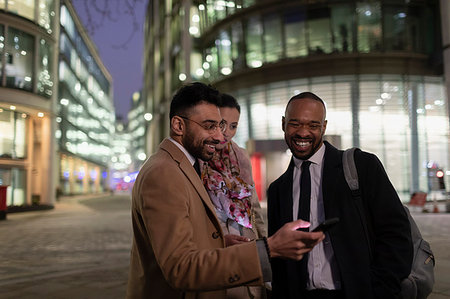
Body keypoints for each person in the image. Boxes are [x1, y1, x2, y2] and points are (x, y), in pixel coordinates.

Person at [126, 83, 325, 299]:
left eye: (222, 126)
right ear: (178, 125)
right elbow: (180, 268)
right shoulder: (164, 173)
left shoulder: (184, 165)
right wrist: (269, 249)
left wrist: (219, 242)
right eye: (209, 126)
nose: (220, 137)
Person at [267, 92, 413, 299]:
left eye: (313, 126)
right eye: (295, 124)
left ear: (324, 127)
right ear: (283, 124)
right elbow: (280, 260)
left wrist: (378, 290)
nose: (303, 133)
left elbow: (396, 234)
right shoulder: (277, 190)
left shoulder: (362, 166)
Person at [201, 93, 266, 298]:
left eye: (233, 125)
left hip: (246, 247)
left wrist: (265, 251)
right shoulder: (198, 160)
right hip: (216, 255)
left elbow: (254, 209)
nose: (227, 132)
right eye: (221, 124)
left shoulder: (240, 157)